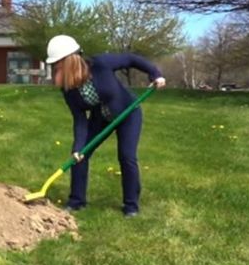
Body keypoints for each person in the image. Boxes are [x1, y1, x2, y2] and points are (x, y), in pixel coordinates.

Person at [45, 35, 166, 217]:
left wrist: (155, 74)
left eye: (58, 63)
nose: (56, 67)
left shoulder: (101, 64)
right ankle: (77, 201)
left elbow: (131, 59)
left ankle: (131, 206)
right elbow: (79, 119)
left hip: (128, 113)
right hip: (100, 118)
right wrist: (78, 147)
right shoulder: (68, 88)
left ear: (70, 59)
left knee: (127, 157)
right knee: (80, 155)